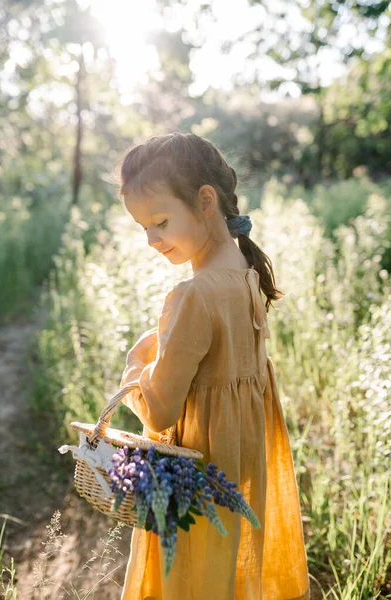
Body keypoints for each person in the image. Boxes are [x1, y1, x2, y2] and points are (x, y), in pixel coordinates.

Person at [118, 132, 310, 600]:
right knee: (232, 568)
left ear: (206, 201)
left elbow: (161, 411)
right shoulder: (246, 270)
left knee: (193, 573)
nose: (151, 240)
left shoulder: (193, 295)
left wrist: (136, 365)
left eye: (160, 221)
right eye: (143, 227)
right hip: (243, 459)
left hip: (199, 471)